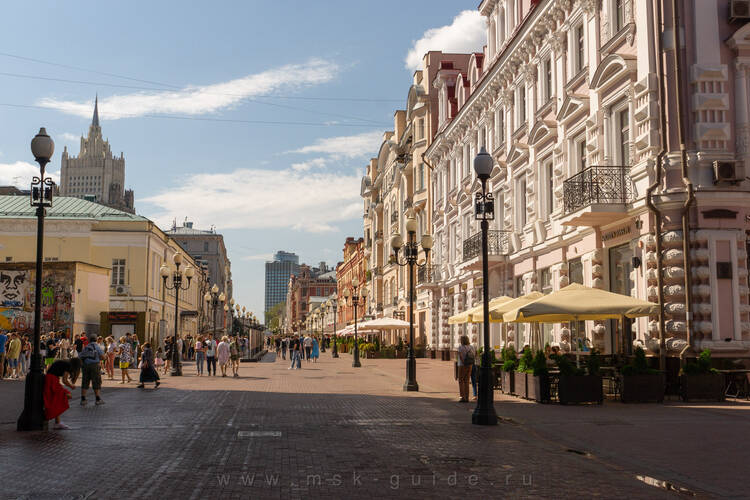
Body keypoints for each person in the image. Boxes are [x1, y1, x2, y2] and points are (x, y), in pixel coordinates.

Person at [44, 357, 82, 430]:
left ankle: (57, 422)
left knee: (57, 399)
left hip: (50, 379)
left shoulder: (65, 363)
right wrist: (71, 386)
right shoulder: (68, 366)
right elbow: (64, 380)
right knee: (66, 396)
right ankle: (57, 422)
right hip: (52, 381)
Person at [79, 333, 105, 406]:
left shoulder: (86, 347)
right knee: (96, 381)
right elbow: (103, 357)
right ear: (96, 339)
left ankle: (83, 399)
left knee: (85, 381)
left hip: (86, 366)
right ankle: (97, 399)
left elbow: (80, 356)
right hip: (94, 365)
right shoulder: (97, 346)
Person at [457, 335, 475, 403]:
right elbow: (474, 355)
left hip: (462, 365)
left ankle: (462, 397)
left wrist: (463, 362)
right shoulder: (472, 347)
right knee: (467, 381)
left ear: (462, 340)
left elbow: (461, 357)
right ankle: (467, 397)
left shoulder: (460, 347)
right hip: (470, 365)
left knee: (461, 380)